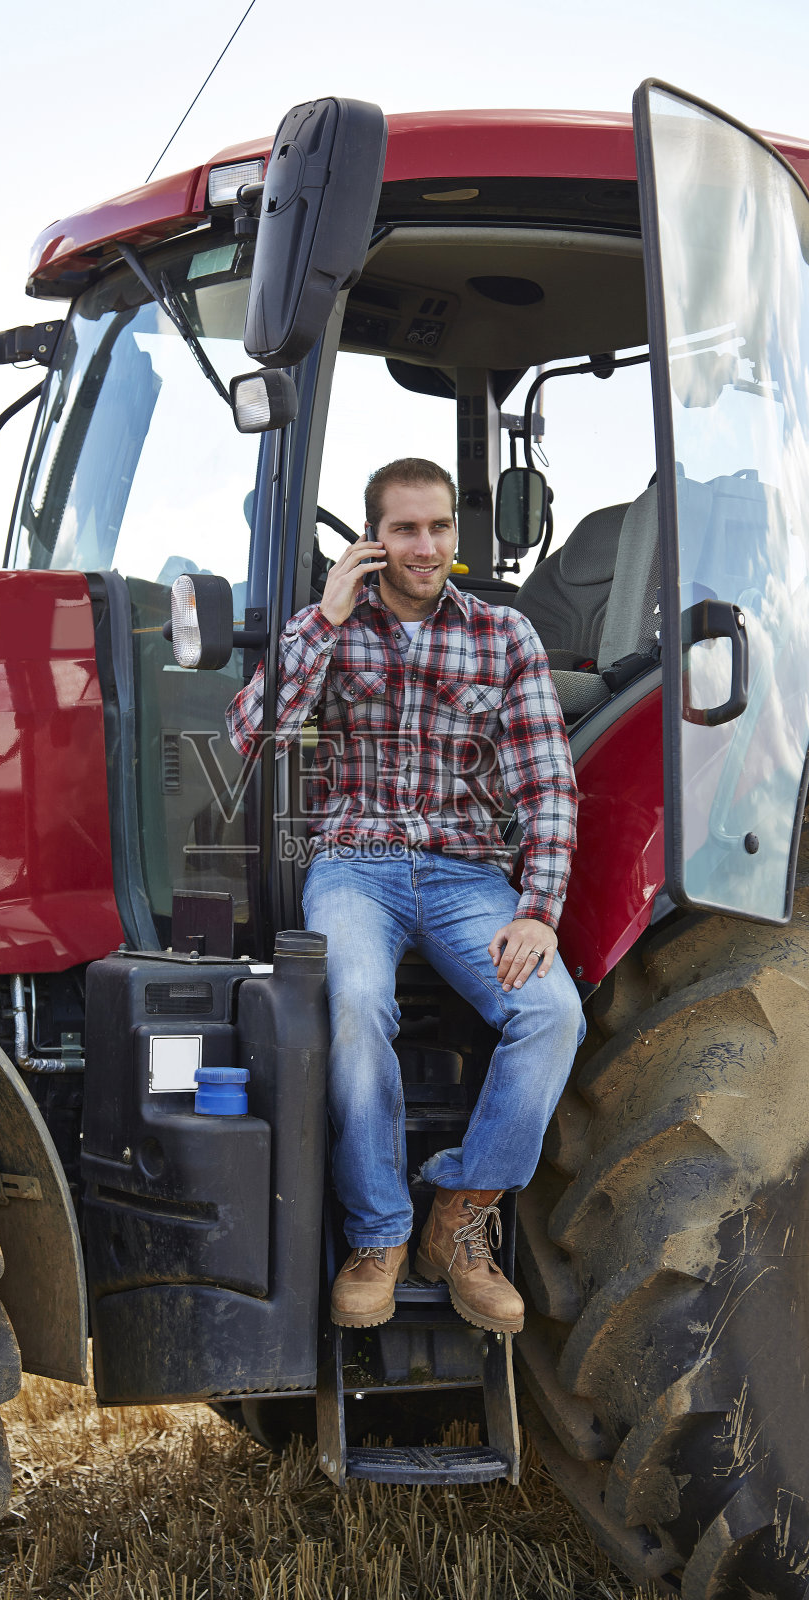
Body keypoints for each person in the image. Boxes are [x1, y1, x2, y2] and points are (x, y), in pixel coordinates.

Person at [227, 457, 584, 1334]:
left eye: (438, 529)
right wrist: (322, 619)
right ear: (372, 539)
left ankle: (458, 1219)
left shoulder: (504, 635)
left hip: (469, 875)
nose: (424, 547)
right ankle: (379, 1231)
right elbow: (250, 734)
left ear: (454, 537)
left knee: (552, 1015)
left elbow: (546, 783)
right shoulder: (332, 629)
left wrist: (537, 909)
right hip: (357, 864)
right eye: (403, 530)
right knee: (352, 1003)